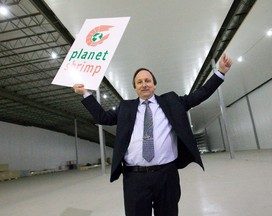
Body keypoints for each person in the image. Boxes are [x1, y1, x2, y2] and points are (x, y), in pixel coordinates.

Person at [73, 54, 233, 216]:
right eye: (139, 82)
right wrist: (85, 93)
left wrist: (220, 72)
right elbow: (103, 117)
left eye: (148, 80)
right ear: (135, 87)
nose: (144, 84)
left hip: (166, 176)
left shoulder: (171, 102)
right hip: (134, 178)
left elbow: (200, 94)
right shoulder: (126, 108)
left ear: (154, 85)